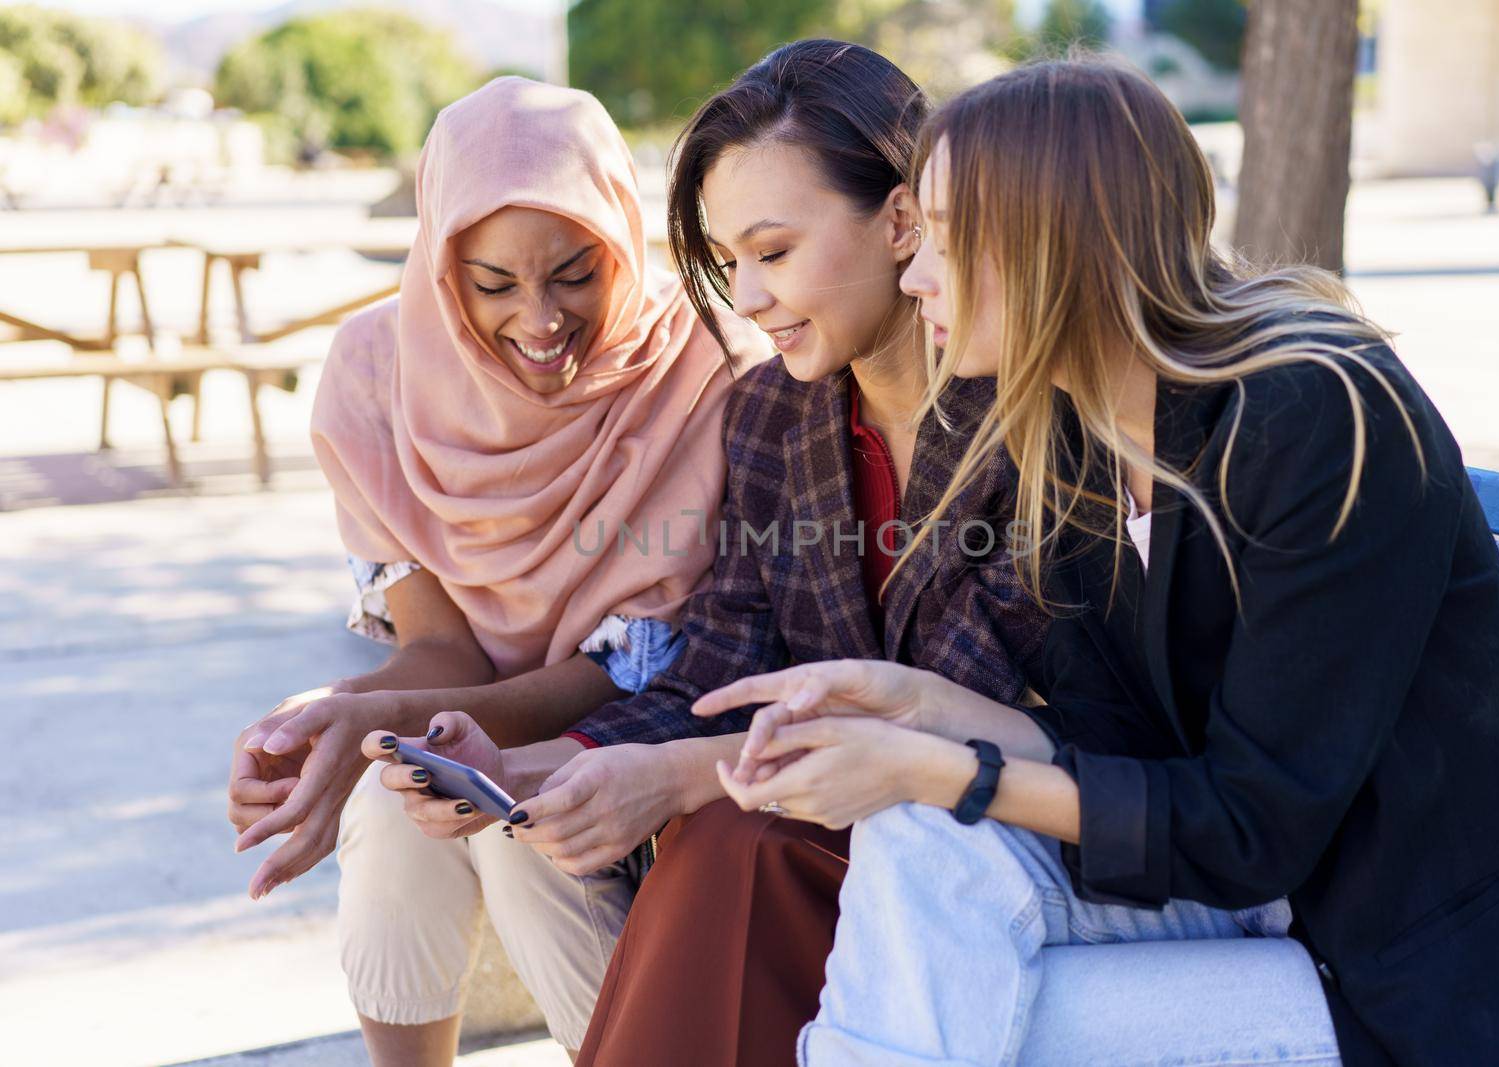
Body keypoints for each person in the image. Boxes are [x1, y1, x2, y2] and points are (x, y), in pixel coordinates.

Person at [695, 55, 1499, 1066]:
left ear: (1046, 245)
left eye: (941, 241)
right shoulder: (1078, 431)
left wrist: (940, 766)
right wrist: (915, 705)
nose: (913, 276)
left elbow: (1254, 818)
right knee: (922, 859)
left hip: (1419, 980)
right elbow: (1115, 732)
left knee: (973, 1013)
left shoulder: (1318, 416)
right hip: (1255, 908)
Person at [364, 41, 1052, 1067]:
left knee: (732, 839)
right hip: (815, 817)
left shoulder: (1033, 406)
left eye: (771, 252)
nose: (747, 296)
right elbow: (721, 663)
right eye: (728, 262)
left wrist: (688, 776)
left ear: (902, 220)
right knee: (565, 837)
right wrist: (523, 762)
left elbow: (965, 693)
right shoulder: (774, 410)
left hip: (984, 821)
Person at [224, 76, 761, 1065]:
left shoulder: (708, 370)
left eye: (573, 273)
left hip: (645, 746)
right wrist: (331, 713)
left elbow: (647, 668)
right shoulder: (376, 377)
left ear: (620, 238)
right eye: (493, 283)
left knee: (514, 832)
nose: (542, 321)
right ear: (439, 265)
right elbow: (442, 647)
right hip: (480, 734)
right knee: (397, 797)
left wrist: (419, 733)